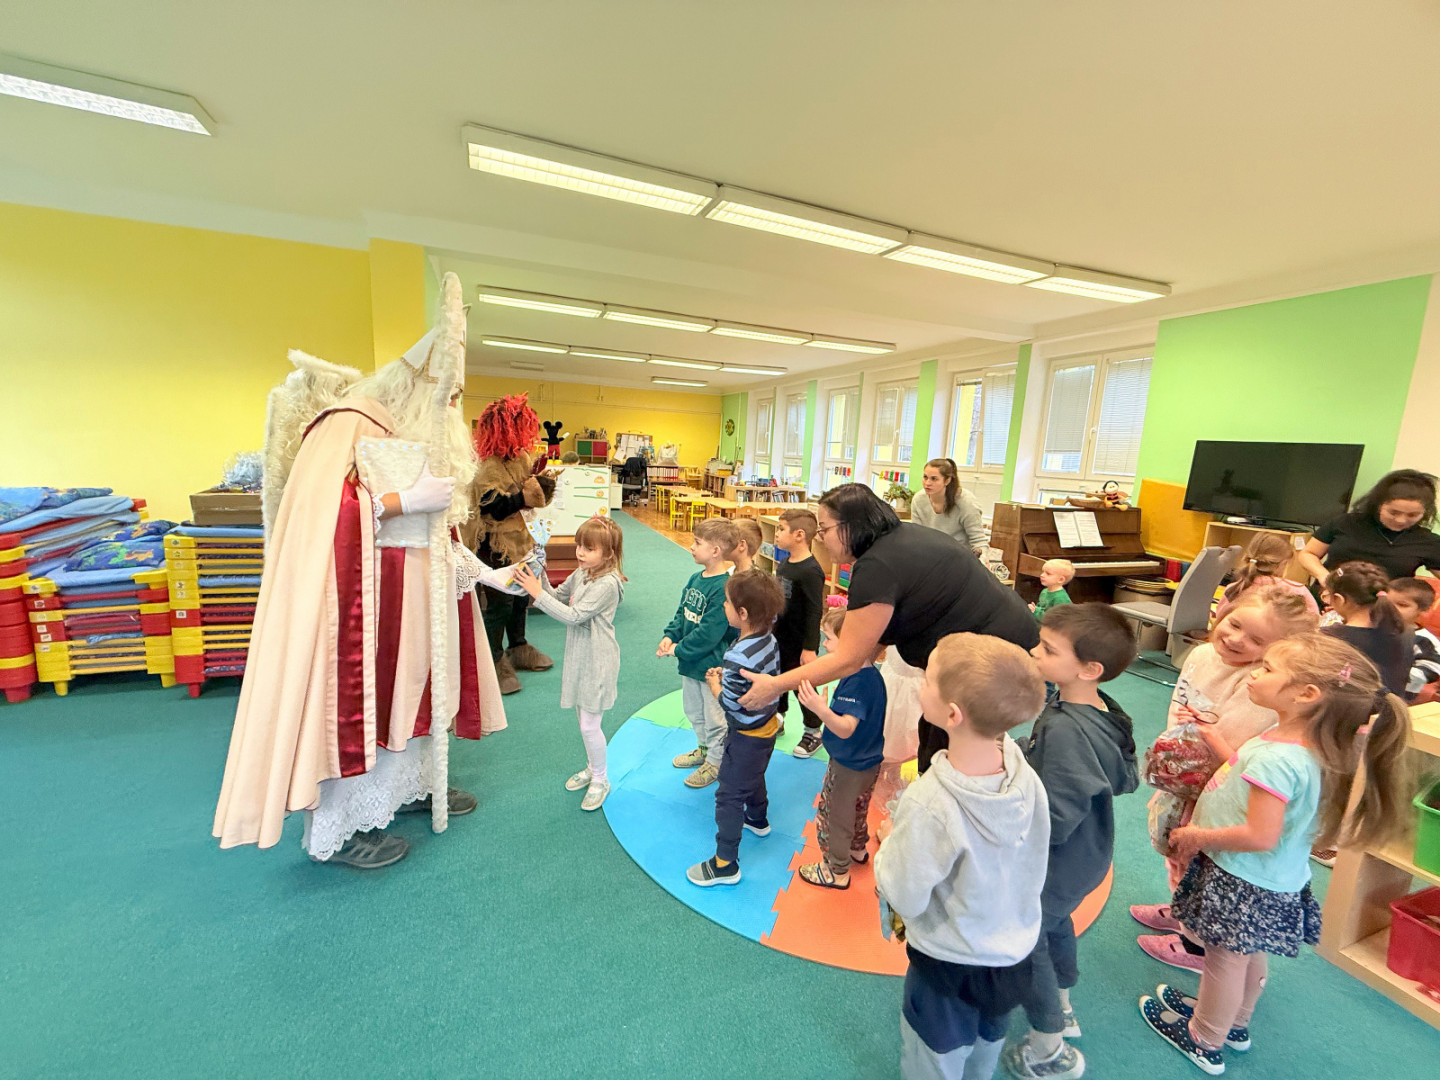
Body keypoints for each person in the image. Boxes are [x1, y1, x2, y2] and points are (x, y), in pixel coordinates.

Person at [213, 272, 506, 869]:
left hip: (414, 607)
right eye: (446, 396)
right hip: (360, 612)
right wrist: (402, 502)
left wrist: (475, 569)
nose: (452, 410)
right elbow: (320, 517)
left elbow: (438, 530)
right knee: (357, 709)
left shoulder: (413, 434)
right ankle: (341, 829)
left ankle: (412, 788)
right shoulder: (348, 421)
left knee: (417, 695)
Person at [1138, 633, 1414, 1075]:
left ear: (1307, 694)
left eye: (1267, 668)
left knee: (1224, 961)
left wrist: (1197, 836)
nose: (1255, 674)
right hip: (1271, 878)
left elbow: (1260, 834)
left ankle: (1205, 1037)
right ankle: (1235, 1023)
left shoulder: (1279, 759)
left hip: (1242, 876)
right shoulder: (1297, 743)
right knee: (1246, 953)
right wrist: (1215, 740)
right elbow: (1247, 775)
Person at [737, 484, 1037, 775]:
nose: (821, 537)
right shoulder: (902, 537)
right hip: (1003, 637)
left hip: (994, 655)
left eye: (825, 529)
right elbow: (874, 636)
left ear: (850, 527)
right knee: (939, 734)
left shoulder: (876, 566)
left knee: (950, 743)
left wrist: (774, 685)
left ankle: (947, 798)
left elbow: (848, 659)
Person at [873, 633, 1049, 1080]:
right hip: (1012, 950)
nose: (920, 683)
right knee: (988, 1038)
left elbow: (905, 895)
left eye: (928, 679)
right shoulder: (1024, 773)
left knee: (936, 1055)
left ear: (952, 714)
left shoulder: (931, 801)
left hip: (949, 959)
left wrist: (889, 843)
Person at [1132, 587, 1318, 968]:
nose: (1234, 639)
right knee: (1176, 855)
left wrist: (1199, 752)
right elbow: (1179, 708)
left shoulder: (1263, 687)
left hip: (1221, 791)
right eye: (1234, 624)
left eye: (1256, 641)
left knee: (1200, 864)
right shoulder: (1202, 655)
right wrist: (1171, 776)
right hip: (1186, 779)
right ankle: (1182, 912)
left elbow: (1240, 760)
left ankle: (1196, 944)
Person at [1005, 604, 1139, 1080]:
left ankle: (1048, 1045)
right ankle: (1062, 1002)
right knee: (1055, 923)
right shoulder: (1098, 709)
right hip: (1089, 853)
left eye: (1047, 650)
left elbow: (1058, 815)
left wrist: (1013, 842)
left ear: (1089, 669)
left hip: (1060, 859)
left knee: (1029, 938)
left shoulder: (1064, 727)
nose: (1034, 653)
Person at [513, 515, 625, 812]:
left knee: (589, 725)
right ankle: (592, 767)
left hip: (598, 660)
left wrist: (536, 593)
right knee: (582, 719)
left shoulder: (607, 584)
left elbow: (573, 616)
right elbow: (557, 596)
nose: (580, 552)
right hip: (580, 656)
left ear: (608, 554)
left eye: (589, 548)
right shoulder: (582, 573)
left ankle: (600, 778)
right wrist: (540, 574)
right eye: (579, 545)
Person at [686, 569, 786, 887]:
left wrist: (715, 683)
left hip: (744, 736)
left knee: (729, 794)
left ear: (742, 613)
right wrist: (729, 679)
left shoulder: (737, 655)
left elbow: (730, 704)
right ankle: (757, 818)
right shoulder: (769, 638)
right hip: (767, 727)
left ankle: (725, 863)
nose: (724, 607)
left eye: (727, 603)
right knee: (754, 775)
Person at [462, 393, 556, 696]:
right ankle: (493, 657)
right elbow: (492, 508)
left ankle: (518, 646)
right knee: (500, 603)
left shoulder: (520, 459)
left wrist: (541, 487)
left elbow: (529, 496)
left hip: (520, 540)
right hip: (494, 544)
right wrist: (523, 496)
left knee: (520, 597)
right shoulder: (487, 466)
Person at [794, 605, 888, 889]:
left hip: (849, 765)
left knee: (836, 814)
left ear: (850, 643)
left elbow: (846, 727)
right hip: (868, 761)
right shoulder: (870, 675)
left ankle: (836, 870)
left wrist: (819, 709)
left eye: (829, 638)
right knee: (858, 807)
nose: (824, 644)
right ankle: (857, 849)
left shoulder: (858, 682)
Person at [658, 517, 741, 789]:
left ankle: (716, 763)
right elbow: (682, 613)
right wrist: (670, 635)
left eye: (697, 543)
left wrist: (678, 649)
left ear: (715, 551)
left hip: (710, 667)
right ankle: (704, 751)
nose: (692, 547)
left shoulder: (723, 587)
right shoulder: (695, 578)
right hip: (690, 664)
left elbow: (710, 632)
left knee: (715, 718)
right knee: (694, 712)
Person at [1298, 468, 1440, 583]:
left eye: (1412, 515)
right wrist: (1325, 577)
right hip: (1329, 599)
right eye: (1393, 512)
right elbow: (1308, 554)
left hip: (1382, 606)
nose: (1401, 520)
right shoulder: (1346, 523)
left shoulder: (1428, 542)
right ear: (1378, 504)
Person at [772, 508, 827, 758]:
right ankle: (778, 717)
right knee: (778, 680)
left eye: (781, 529)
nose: (777, 534)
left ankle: (813, 731)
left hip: (800, 642)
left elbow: (815, 611)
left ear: (799, 535)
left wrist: (810, 648)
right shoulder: (784, 563)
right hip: (780, 638)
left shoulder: (811, 570)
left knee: (803, 687)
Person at [1319, 561, 1412, 697]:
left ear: (1339, 599)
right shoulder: (1404, 630)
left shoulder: (1329, 637)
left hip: (1350, 708)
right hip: (1391, 706)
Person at [1213, 533, 1318, 623]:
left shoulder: (1234, 588)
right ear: (1282, 564)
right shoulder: (1298, 591)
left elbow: (1220, 620)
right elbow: (1315, 625)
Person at [1380, 577, 1440, 699]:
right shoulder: (1372, 628)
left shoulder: (1423, 640)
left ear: (1424, 611)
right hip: (1362, 690)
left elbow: (1431, 669)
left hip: (1394, 697)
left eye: (1402, 605)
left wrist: (1388, 673)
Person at [910, 458, 987, 551]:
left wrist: (981, 557)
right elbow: (917, 537)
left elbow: (979, 541)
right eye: (925, 477)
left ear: (947, 480)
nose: (927, 483)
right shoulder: (918, 500)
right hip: (930, 553)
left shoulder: (966, 502)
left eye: (934, 479)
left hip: (960, 555)